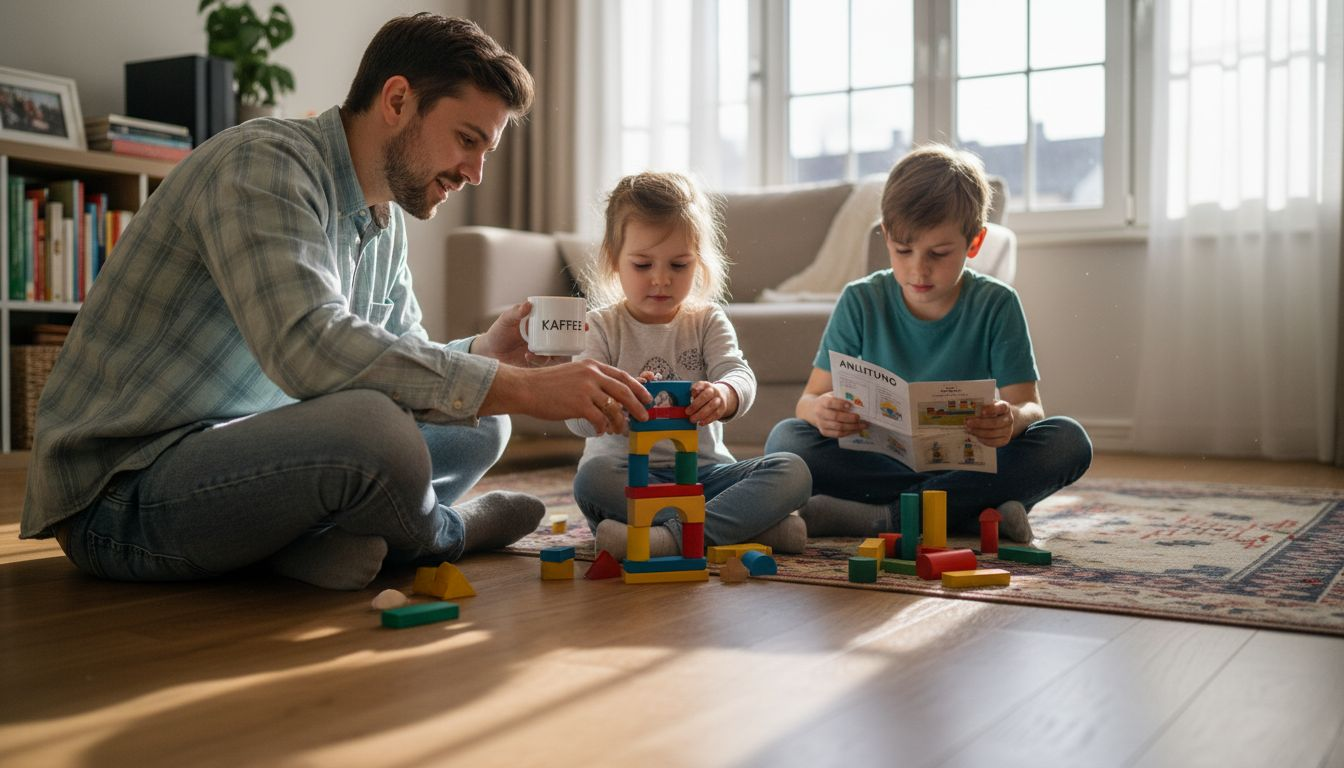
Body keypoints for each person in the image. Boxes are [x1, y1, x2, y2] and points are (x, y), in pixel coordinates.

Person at [19, 14, 652, 590]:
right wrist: (519, 386)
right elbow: (310, 350)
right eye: (466, 140)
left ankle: (304, 544)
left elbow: (396, 360)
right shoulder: (262, 165)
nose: (475, 172)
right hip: (123, 494)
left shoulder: (383, 219)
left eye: (486, 151)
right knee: (377, 433)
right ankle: (442, 535)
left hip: (244, 455)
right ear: (398, 100)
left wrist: (486, 353)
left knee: (483, 422)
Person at [764, 145, 1092, 542]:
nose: (918, 268)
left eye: (938, 253)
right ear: (885, 236)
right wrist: (824, 412)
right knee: (786, 438)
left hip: (969, 463)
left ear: (974, 243)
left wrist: (1012, 419)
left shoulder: (997, 303)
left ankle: (887, 517)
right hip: (884, 463)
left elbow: (1030, 406)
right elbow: (808, 401)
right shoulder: (860, 299)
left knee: (1068, 440)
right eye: (903, 251)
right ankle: (971, 514)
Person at [567, 172, 811, 558]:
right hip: (629, 477)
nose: (661, 279)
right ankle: (742, 528)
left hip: (704, 476)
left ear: (699, 263)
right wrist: (612, 402)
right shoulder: (600, 326)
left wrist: (725, 394)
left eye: (678, 265)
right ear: (614, 261)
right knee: (591, 479)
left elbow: (739, 374)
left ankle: (668, 540)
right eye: (643, 265)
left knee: (793, 471)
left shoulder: (707, 320)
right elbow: (576, 416)